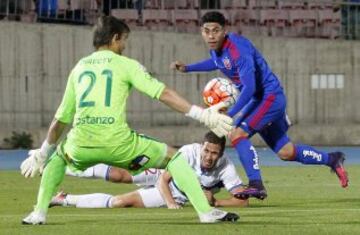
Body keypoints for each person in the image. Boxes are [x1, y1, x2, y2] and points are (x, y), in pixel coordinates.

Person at [20, 16, 237, 225]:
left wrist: (42, 152)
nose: (125, 45)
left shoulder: (79, 68)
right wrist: (202, 114)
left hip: (80, 145)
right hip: (120, 145)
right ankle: (206, 213)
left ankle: (39, 213)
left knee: (57, 158)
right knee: (175, 158)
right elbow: (163, 94)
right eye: (124, 40)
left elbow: (61, 119)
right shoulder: (126, 65)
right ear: (115, 38)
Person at [170, 11, 349, 200]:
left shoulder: (238, 50)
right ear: (201, 32)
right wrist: (188, 68)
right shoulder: (216, 50)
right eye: (207, 31)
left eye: (216, 30)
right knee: (285, 152)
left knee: (237, 134)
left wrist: (231, 113)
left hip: (268, 97)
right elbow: (216, 62)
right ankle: (332, 159)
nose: (211, 35)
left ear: (225, 30)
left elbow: (250, 87)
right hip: (261, 100)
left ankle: (256, 184)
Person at [50, 131, 249, 209]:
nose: (208, 156)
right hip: (165, 178)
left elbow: (243, 201)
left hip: (178, 194)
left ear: (221, 154)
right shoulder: (189, 153)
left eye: (214, 153)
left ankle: (65, 199)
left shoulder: (226, 167)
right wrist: (171, 204)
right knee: (121, 175)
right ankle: (58, 167)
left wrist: (216, 201)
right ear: (201, 146)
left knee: (120, 202)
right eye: (206, 150)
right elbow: (163, 179)